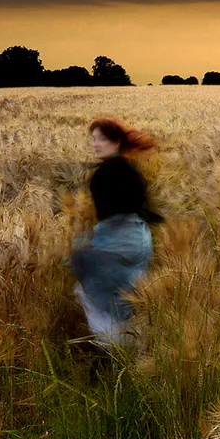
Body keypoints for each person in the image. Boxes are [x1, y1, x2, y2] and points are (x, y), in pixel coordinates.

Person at [69, 117, 163, 348]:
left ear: (116, 141)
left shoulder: (112, 170)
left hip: (122, 238)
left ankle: (116, 346)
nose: (95, 144)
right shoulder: (123, 167)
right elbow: (137, 203)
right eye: (93, 139)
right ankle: (134, 343)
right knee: (123, 290)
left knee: (88, 285)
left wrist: (85, 245)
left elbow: (119, 207)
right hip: (137, 236)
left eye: (102, 139)